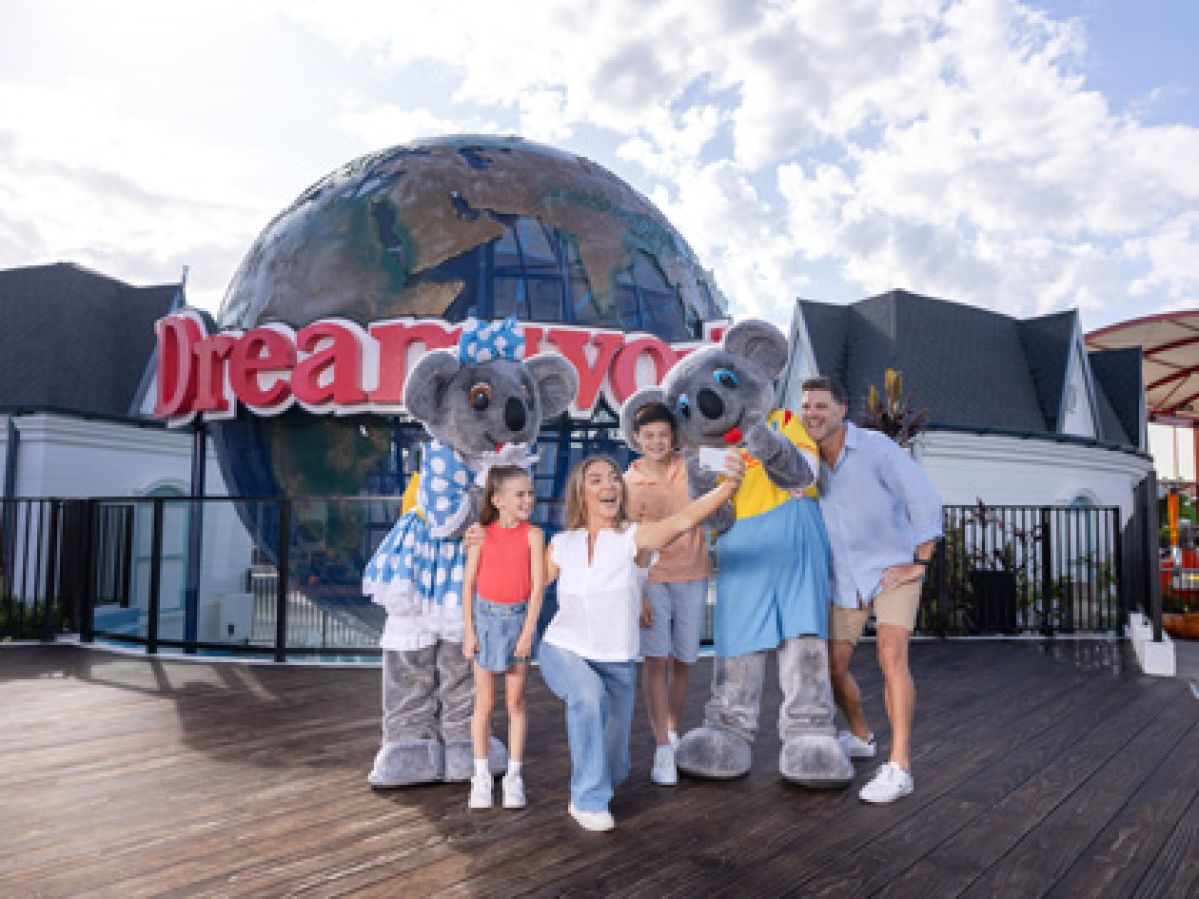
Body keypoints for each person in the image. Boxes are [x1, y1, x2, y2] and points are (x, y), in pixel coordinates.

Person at [539, 452, 744, 831]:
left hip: (616, 660)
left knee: (614, 764)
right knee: (586, 697)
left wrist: (727, 488)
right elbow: (527, 584)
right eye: (597, 479)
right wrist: (484, 535)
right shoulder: (562, 544)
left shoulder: (634, 537)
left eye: (614, 478)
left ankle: (602, 779)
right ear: (581, 493)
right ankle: (585, 799)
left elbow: (683, 520)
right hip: (563, 647)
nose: (609, 485)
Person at [800, 376, 943, 804]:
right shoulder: (805, 460)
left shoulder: (877, 447)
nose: (813, 414)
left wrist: (918, 562)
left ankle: (899, 767)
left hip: (892, 568)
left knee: (890, 655)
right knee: (832, 667)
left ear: (842, 410)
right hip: (843, 575)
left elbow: (924, 498)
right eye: (807, 406)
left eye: (821, 406)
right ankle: (861, 736)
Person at [623, 402, 712, 787]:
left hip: (693, 575)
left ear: (673, 436)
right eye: (649, 436)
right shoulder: (627, 482)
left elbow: (733, 465)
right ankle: (661, 747)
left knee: (684, 660)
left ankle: (673, 732)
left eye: (663, 434)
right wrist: (637, 592)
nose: (657, 442)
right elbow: (628, 545)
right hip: (653, 579)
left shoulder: (692, 465)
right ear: (637, 440)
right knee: (655, 661)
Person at [461, 466, 546, 811]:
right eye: (520, 494)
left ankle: (514, 775)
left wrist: (526, 633)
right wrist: (469, 630)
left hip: (517, 623)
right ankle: (480, 775)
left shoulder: (534, 535)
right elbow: (468, 586)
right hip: (484, 621)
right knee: (484, 703)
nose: (528, 500)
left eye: (530, 493)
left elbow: (538, 588)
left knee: (515, 703)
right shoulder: (480, 534)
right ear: (497, 501)